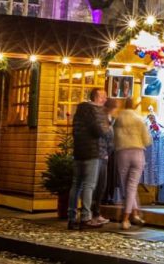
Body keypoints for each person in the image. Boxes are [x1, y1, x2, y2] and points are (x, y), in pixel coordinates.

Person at [67, 88, 108, 229]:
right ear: (97, 98)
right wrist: (106, 128)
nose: (105, 99)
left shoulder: (79, 111)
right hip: (91, 152)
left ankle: (71, 217)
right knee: (89, 185)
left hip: (78, 151)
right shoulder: (93, 111)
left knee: (76, 185)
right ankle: (85, 217)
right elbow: (98, 131)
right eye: (103, 96)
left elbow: (75, 131)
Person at [113, 97, 152, 230]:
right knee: (132, 186)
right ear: (135, 105)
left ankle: (125, 219)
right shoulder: (139, 119)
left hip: (123, 153)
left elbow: (114, 137)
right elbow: (147, 140)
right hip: (138, 153)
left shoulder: (118, 119)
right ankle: (134, 214)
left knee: (127, 187)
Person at [89, 98, 119, 225]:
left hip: (104, 154)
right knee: (97, 185)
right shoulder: (104, 119)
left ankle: (95, 212)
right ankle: (93, 213)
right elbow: (105, 136)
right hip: (100, 154)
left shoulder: (109, 119)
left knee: (101, 185)